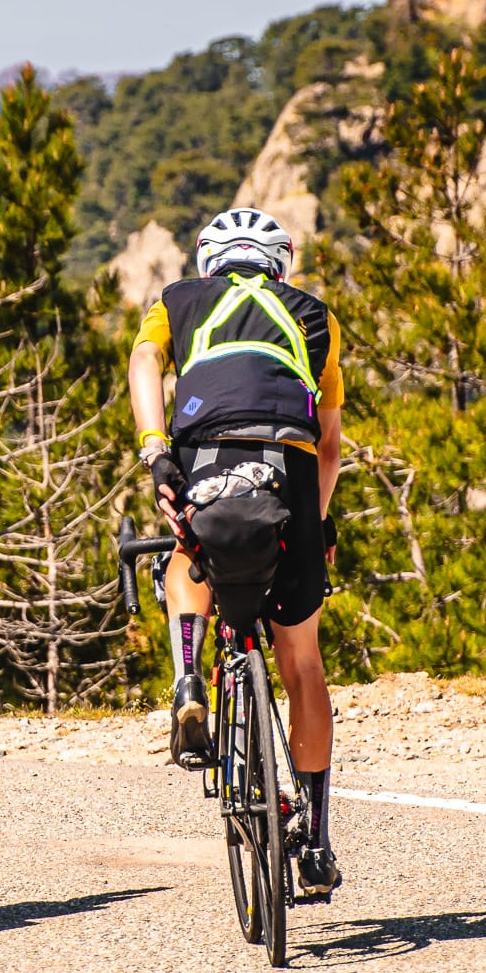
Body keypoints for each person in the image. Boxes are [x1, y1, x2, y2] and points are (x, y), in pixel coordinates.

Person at [126, 207, 345, 898]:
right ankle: (314, 838)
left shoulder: (177, 301)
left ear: (208, 263)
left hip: (205, 448)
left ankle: (191, 678)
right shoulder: (315, 315)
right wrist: (315, 522)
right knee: (301, 659)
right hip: (290, 460)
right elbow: (332, 442)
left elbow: (143, 362)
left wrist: (156, 450)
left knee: (186, 553)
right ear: (278, 264)